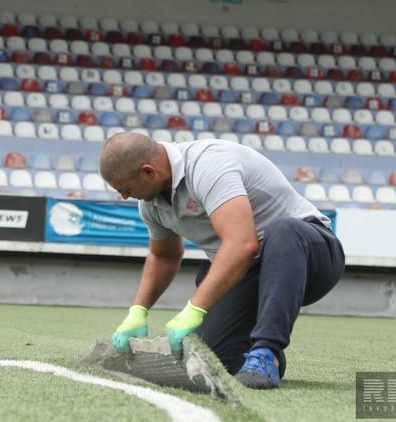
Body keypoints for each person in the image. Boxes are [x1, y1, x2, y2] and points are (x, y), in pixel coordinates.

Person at [98, 132, 345, 390]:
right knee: (210, 360)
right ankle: (254, 353)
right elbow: (164, 255)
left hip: (310, 256)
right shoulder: (150, 204)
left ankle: (266, 351)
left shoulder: (209, 165)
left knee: (283, 230)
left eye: (126, 189)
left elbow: (242, 245)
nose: (125, 197)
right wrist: (138, 312)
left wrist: (194, 309)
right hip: (249, 273)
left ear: (148, 172)